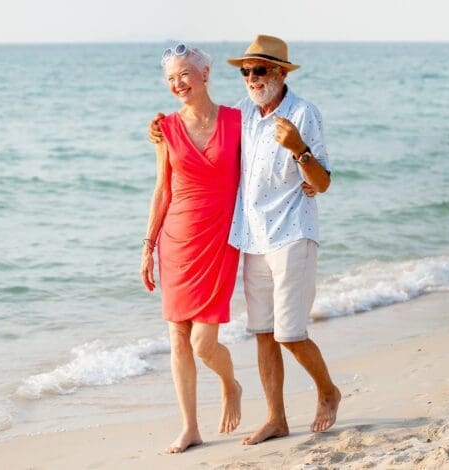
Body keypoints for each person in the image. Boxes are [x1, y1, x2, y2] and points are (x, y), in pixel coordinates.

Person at [149, 34, 340, 445]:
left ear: (280, 72)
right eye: (247, 71)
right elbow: (189, 152)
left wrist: (301, 152)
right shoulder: (244, 116)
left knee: (289, 333)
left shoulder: (303, 114)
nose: (252, 77)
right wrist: (160, 131)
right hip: (250, 238)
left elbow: (322, 182)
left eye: (261, 70)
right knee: (263, 333)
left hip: (290, 234)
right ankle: (276, 419)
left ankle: (327, 390)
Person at [140, 43, 243, 454]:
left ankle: (230, 383)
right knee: (179, 339)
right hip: (176, 242)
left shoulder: (237, 121)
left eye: (184, 74)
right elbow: (162, 190)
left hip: (219, 241)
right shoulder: (164, 128)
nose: (177, 83)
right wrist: (147, 247)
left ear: (204, 73)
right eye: (170, 79)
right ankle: (190, 427)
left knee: (204, 343)